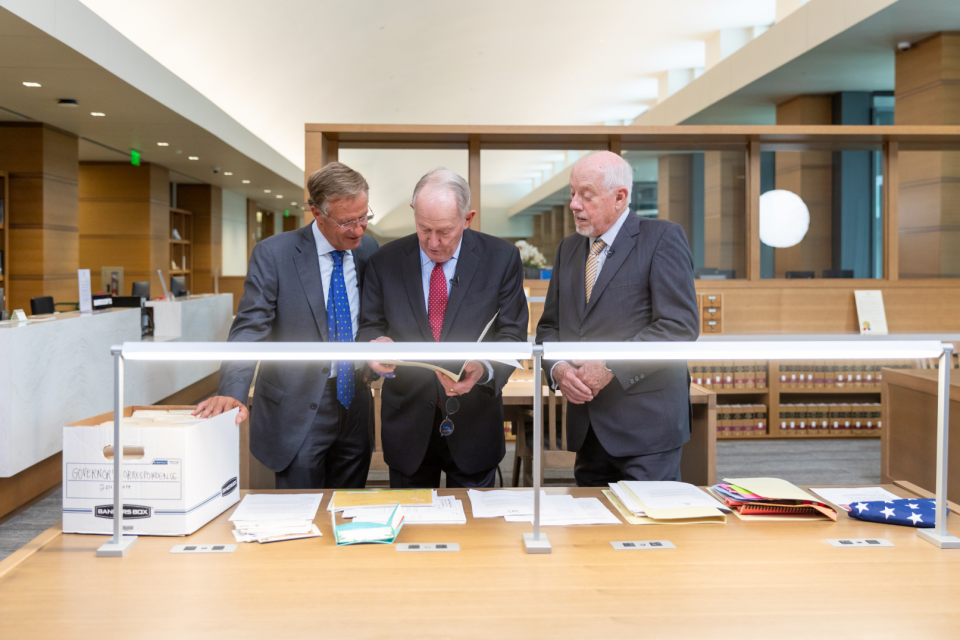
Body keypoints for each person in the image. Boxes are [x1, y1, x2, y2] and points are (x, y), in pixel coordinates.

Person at [194, 162, 379, 489]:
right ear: (316, 212)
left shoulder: (367, 250)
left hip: (355, 403)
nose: (358, 230)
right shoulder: (275, 255)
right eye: (346, 221)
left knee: (350, 506)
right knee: (301, 509)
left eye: (364, 217)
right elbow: (250, 327)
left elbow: (372, 316)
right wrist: (233, 391)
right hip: (298, 405)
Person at [535, 151, 699, 486]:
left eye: (586, 195)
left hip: (647, 429)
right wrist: (559, 369)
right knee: (592, 533)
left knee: (647, 530)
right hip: (588, 430)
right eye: (572, 193)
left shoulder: (661, 238)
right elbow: (548, 328)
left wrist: (610, 364)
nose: (574, 205)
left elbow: (679, 326)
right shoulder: (569, 249)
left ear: (619, 197)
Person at [359, 169, 528, 489]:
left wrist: (485, 368)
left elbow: (513, 334)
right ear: (413, 213)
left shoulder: (502, 258)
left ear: (468, 217)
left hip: (475, 421)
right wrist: (376, 343)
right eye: (424, 229)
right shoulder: (385, 261)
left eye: (445, 231)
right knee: (411, 528)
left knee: (477, 533)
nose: (433, 242)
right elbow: (370, 325)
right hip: (406, 422)